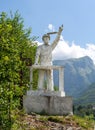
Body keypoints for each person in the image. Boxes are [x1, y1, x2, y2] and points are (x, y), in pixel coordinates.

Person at [34, 25, 63, 91]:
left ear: (49, 39)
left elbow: (56, 41)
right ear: (43, 39)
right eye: (45, 38)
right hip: (42, 63)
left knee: (50, 78)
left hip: (49, 64)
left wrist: (59, 32)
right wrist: (36, 62)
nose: (46, 39)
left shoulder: (51, 47)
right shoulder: (40, 47)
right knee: (41, 77)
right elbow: (37, 54)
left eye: (47, 38)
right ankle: (40, 89)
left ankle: (50, 89)